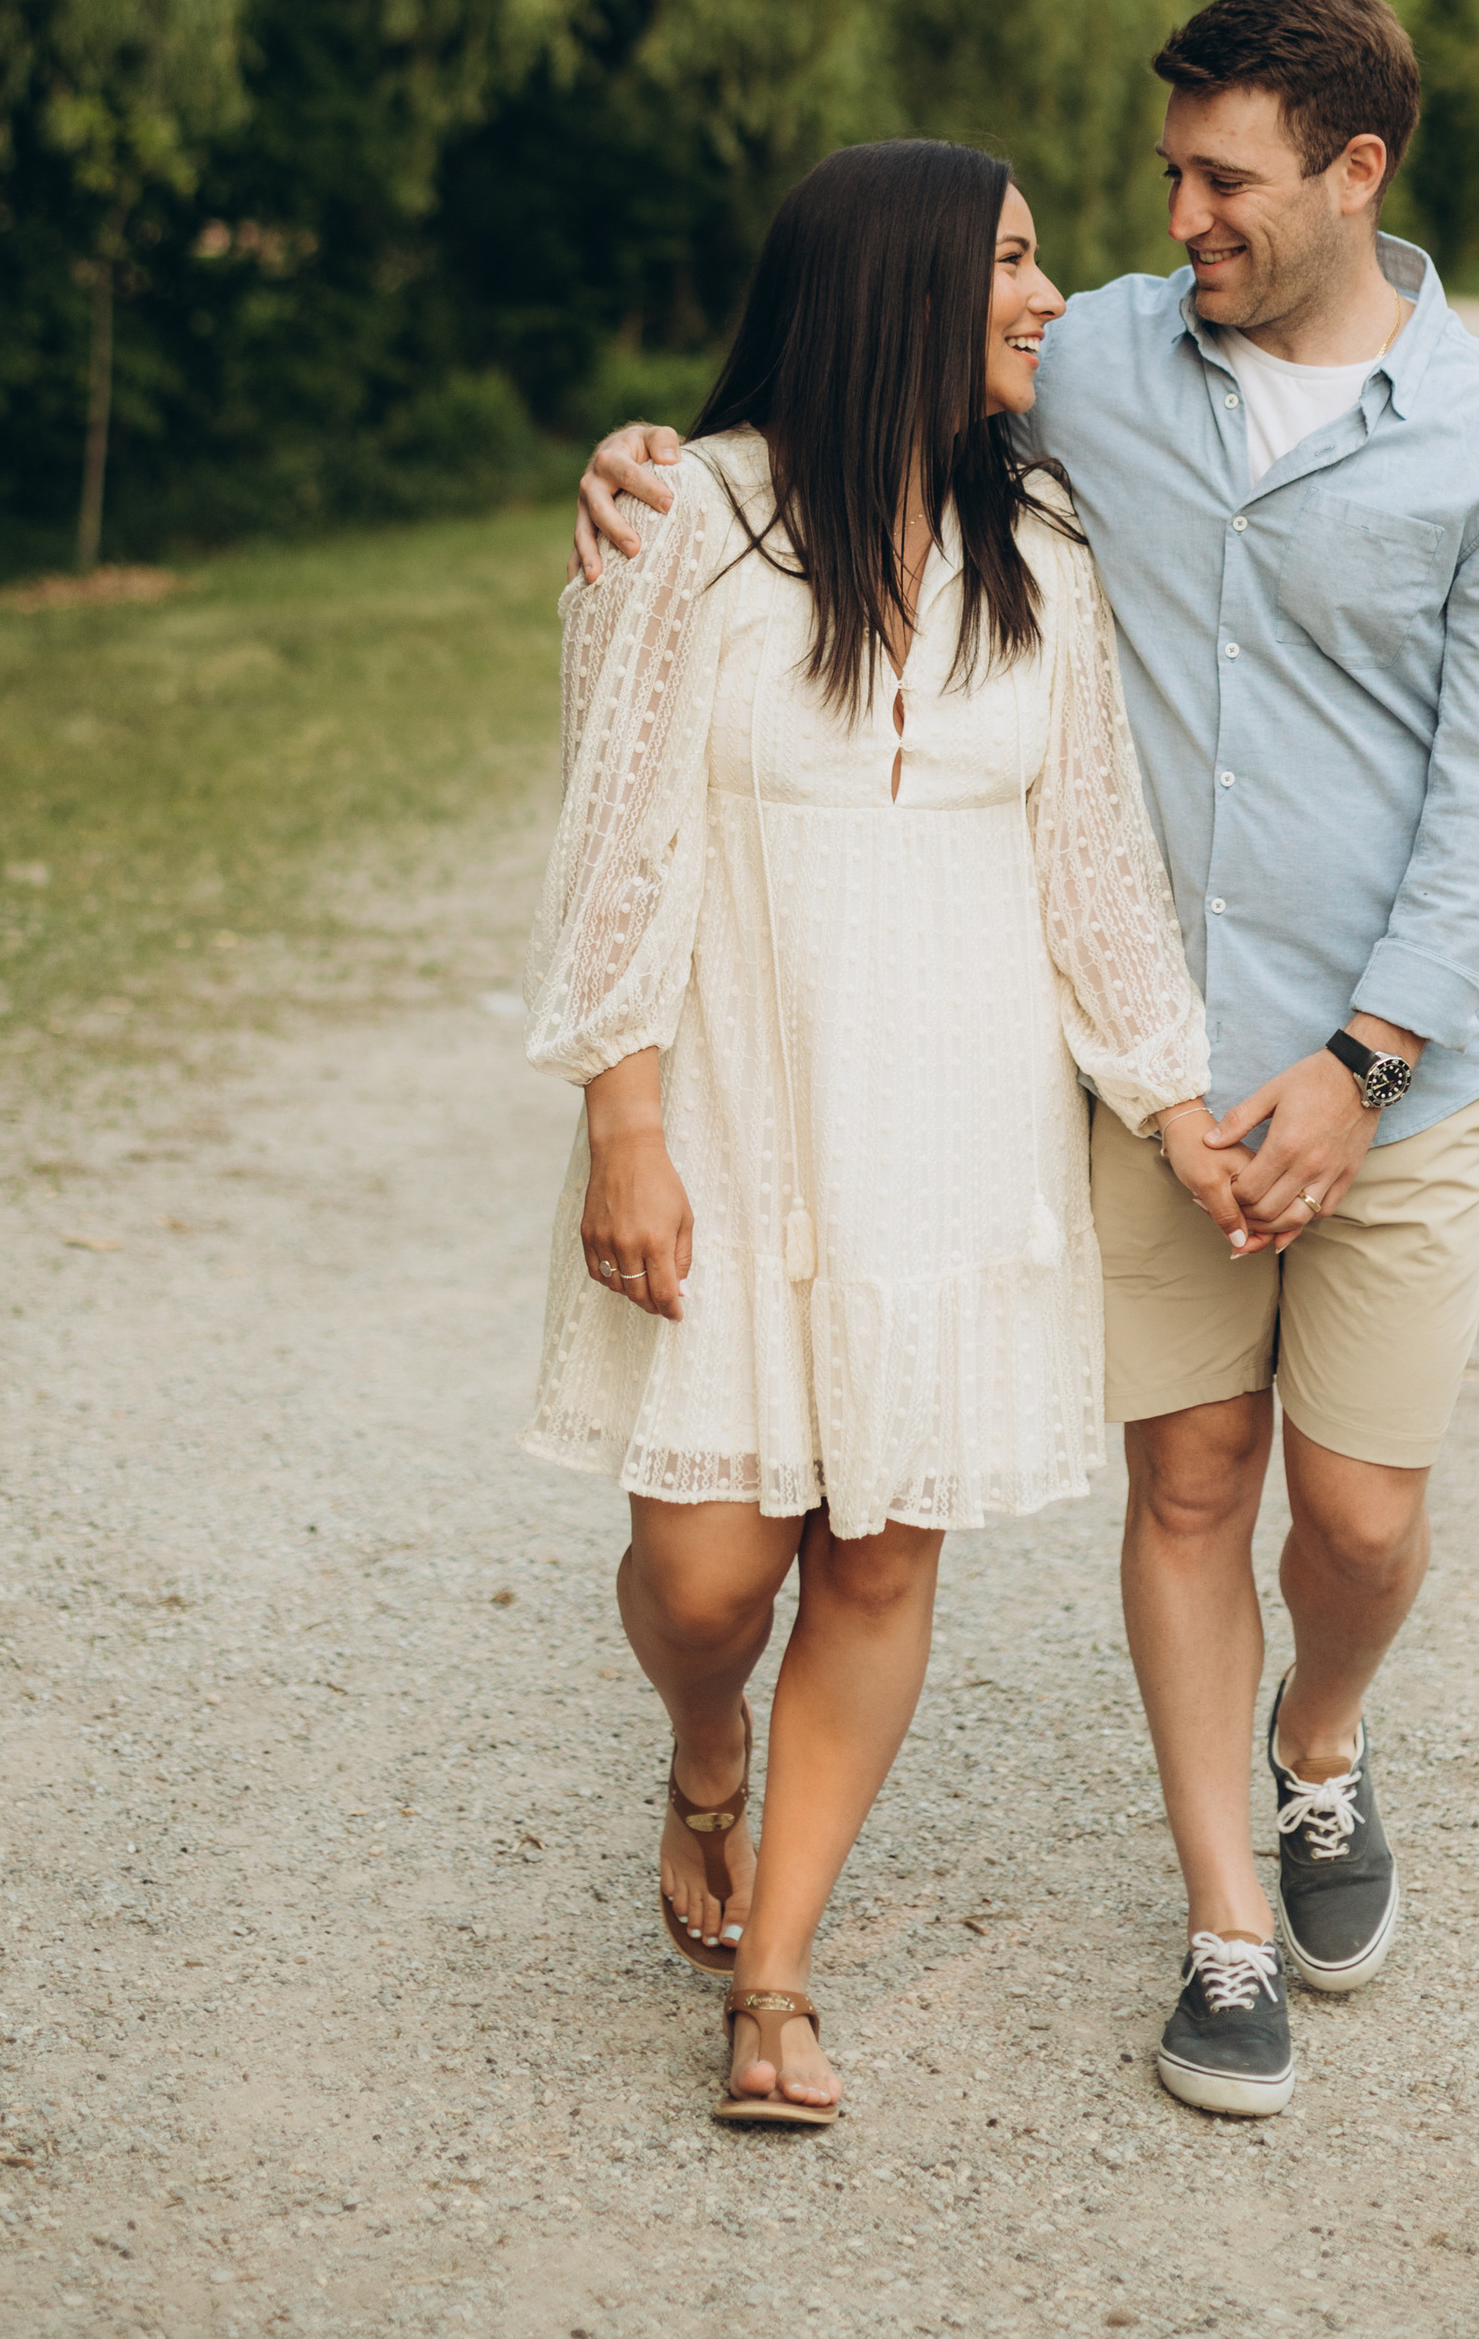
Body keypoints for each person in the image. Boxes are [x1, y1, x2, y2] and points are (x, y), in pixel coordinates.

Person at [573, 0, 1479, 2120]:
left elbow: (1435, 813)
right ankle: (1076, 1876)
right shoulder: (1079, 376)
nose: (1161, 229)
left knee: (1350, 1514)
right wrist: (635, 463)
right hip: (961, 1092)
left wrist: (1344, 1061)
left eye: (1217, 182)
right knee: (958, 1527)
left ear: (1350, 173)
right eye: (1146, 188)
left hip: (1300, 1075)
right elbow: (661, 752)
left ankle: (1284, 1773)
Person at [524, 138, 1225, 2130]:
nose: (1047, 295)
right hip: (736, 1120)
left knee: (880, 1561)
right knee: (702, 1574)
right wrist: (622, 1126)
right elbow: (615, 849)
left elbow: (1091, 874)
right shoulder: (687, 524)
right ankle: (696, 1750)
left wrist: (1182, 1118)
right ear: (898, 288)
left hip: (950, 1140)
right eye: (1012, 260)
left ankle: (775, 1980)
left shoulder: (1047, 559)